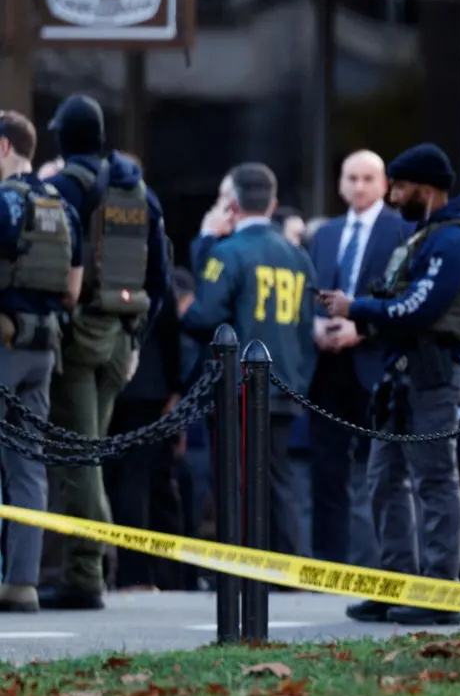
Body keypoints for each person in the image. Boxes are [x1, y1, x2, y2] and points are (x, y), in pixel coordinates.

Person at [320, 142, 460, 626]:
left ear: (427, 188)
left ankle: (439, 591)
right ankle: (395, 582)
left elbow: (422, 306)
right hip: (402, 373)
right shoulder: (426, 235)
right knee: (383, 478)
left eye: (399, 186)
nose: (392, 196)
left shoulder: (454, 240)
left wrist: (358, 310)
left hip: (434, 373)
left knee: (434, 479)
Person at [39, 94, 170, 611]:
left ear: (62, 139)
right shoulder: (140, 194)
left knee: (79, 458)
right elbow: (158, 279)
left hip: (77, 339)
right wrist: (135, 340)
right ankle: (91, 566)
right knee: (88, 451)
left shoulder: (63, 189)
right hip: (121, 341)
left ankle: (85, 574)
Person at [180, 163, 316, 560]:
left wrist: (204, 241)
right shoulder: (297, 255)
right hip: (284, 381)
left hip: (238, 385)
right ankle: (288, 572)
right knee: (278, 478)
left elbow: (204, 317)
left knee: (234, 479)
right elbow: (307, 327)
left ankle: (238, 568)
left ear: (234, 206)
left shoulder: (229, 251)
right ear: (273, 204)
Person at [306, 150, 415, 567]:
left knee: (382, 473)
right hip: (327, 367)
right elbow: (311, 290)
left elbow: (405, 299)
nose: (359, 186)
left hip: (376, 364)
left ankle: (379, 565)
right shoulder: (326, 234)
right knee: (327, 472)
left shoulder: (401, 231)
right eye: (351, 178)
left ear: (385, 184)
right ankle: (327, 563)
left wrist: (362, 327)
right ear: (340, 183)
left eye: (369, 178)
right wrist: (316, 326)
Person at [0, 110, 83, 613]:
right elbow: (73, 290)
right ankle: (22, 584)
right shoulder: (61, 204)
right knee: (28, 467)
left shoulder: (5, 202)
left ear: (3, 147)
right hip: (44, 347)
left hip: (4, 342)